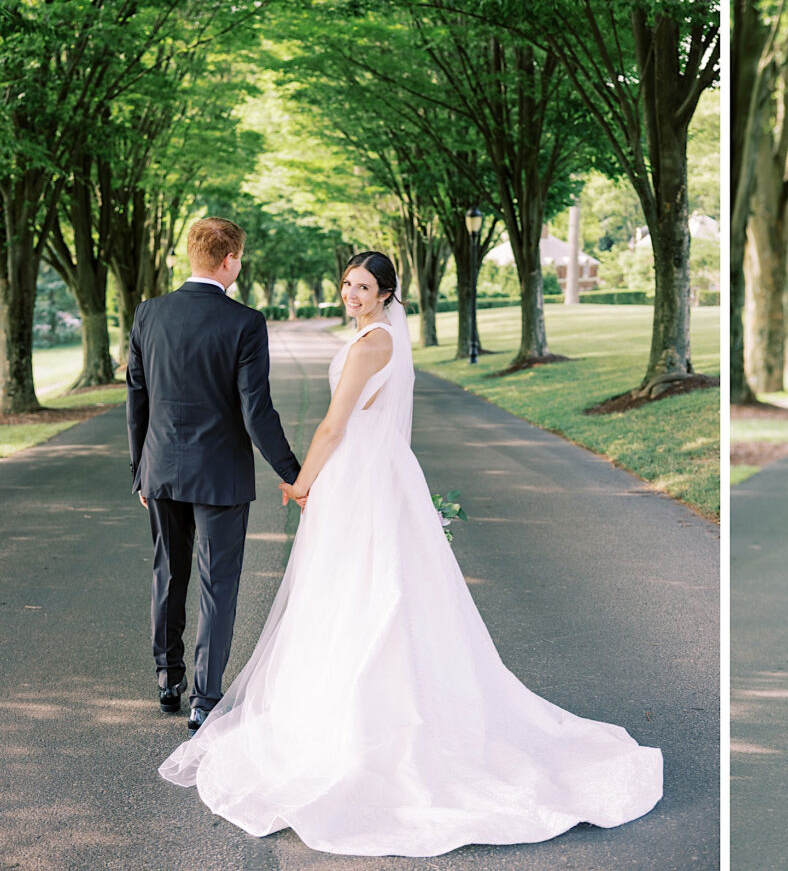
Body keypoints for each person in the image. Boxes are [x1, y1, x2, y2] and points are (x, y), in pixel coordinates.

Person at [157, 250, 662, 856]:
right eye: (347, 283)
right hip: (377, 471)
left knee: (362, 588)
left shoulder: (372, 345)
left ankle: (370, 717)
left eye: (364, 286)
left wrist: (301, 482)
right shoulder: (380, 339)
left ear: (387, 294)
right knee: (361, 586)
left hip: (355, 474)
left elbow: (333, 428)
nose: (352, 294)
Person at [127, 218, 302, 731]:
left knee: (168, 573)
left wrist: (140, 468)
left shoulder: (147, 314)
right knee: (217, 584)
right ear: (229, 261)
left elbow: (137, 398)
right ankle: (204, 699)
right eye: (240, 259)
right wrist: (293, 474)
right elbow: (257, 413)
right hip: (220, 475)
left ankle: (168, 680)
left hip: (160, 467)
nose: (239, 266)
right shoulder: (245, 322)